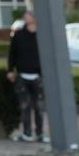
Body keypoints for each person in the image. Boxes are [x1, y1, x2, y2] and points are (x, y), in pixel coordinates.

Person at [6, 11, 46, 142]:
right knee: (25, 106)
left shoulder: (42, 36)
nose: (26, 17)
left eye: (29, 15)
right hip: (22, 75)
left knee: (39, 106)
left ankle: (40, 133)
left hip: (38, 76)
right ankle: (27, 133)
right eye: (26, 16)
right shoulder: (18, 35)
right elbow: (12, 53)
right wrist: (10, 70)